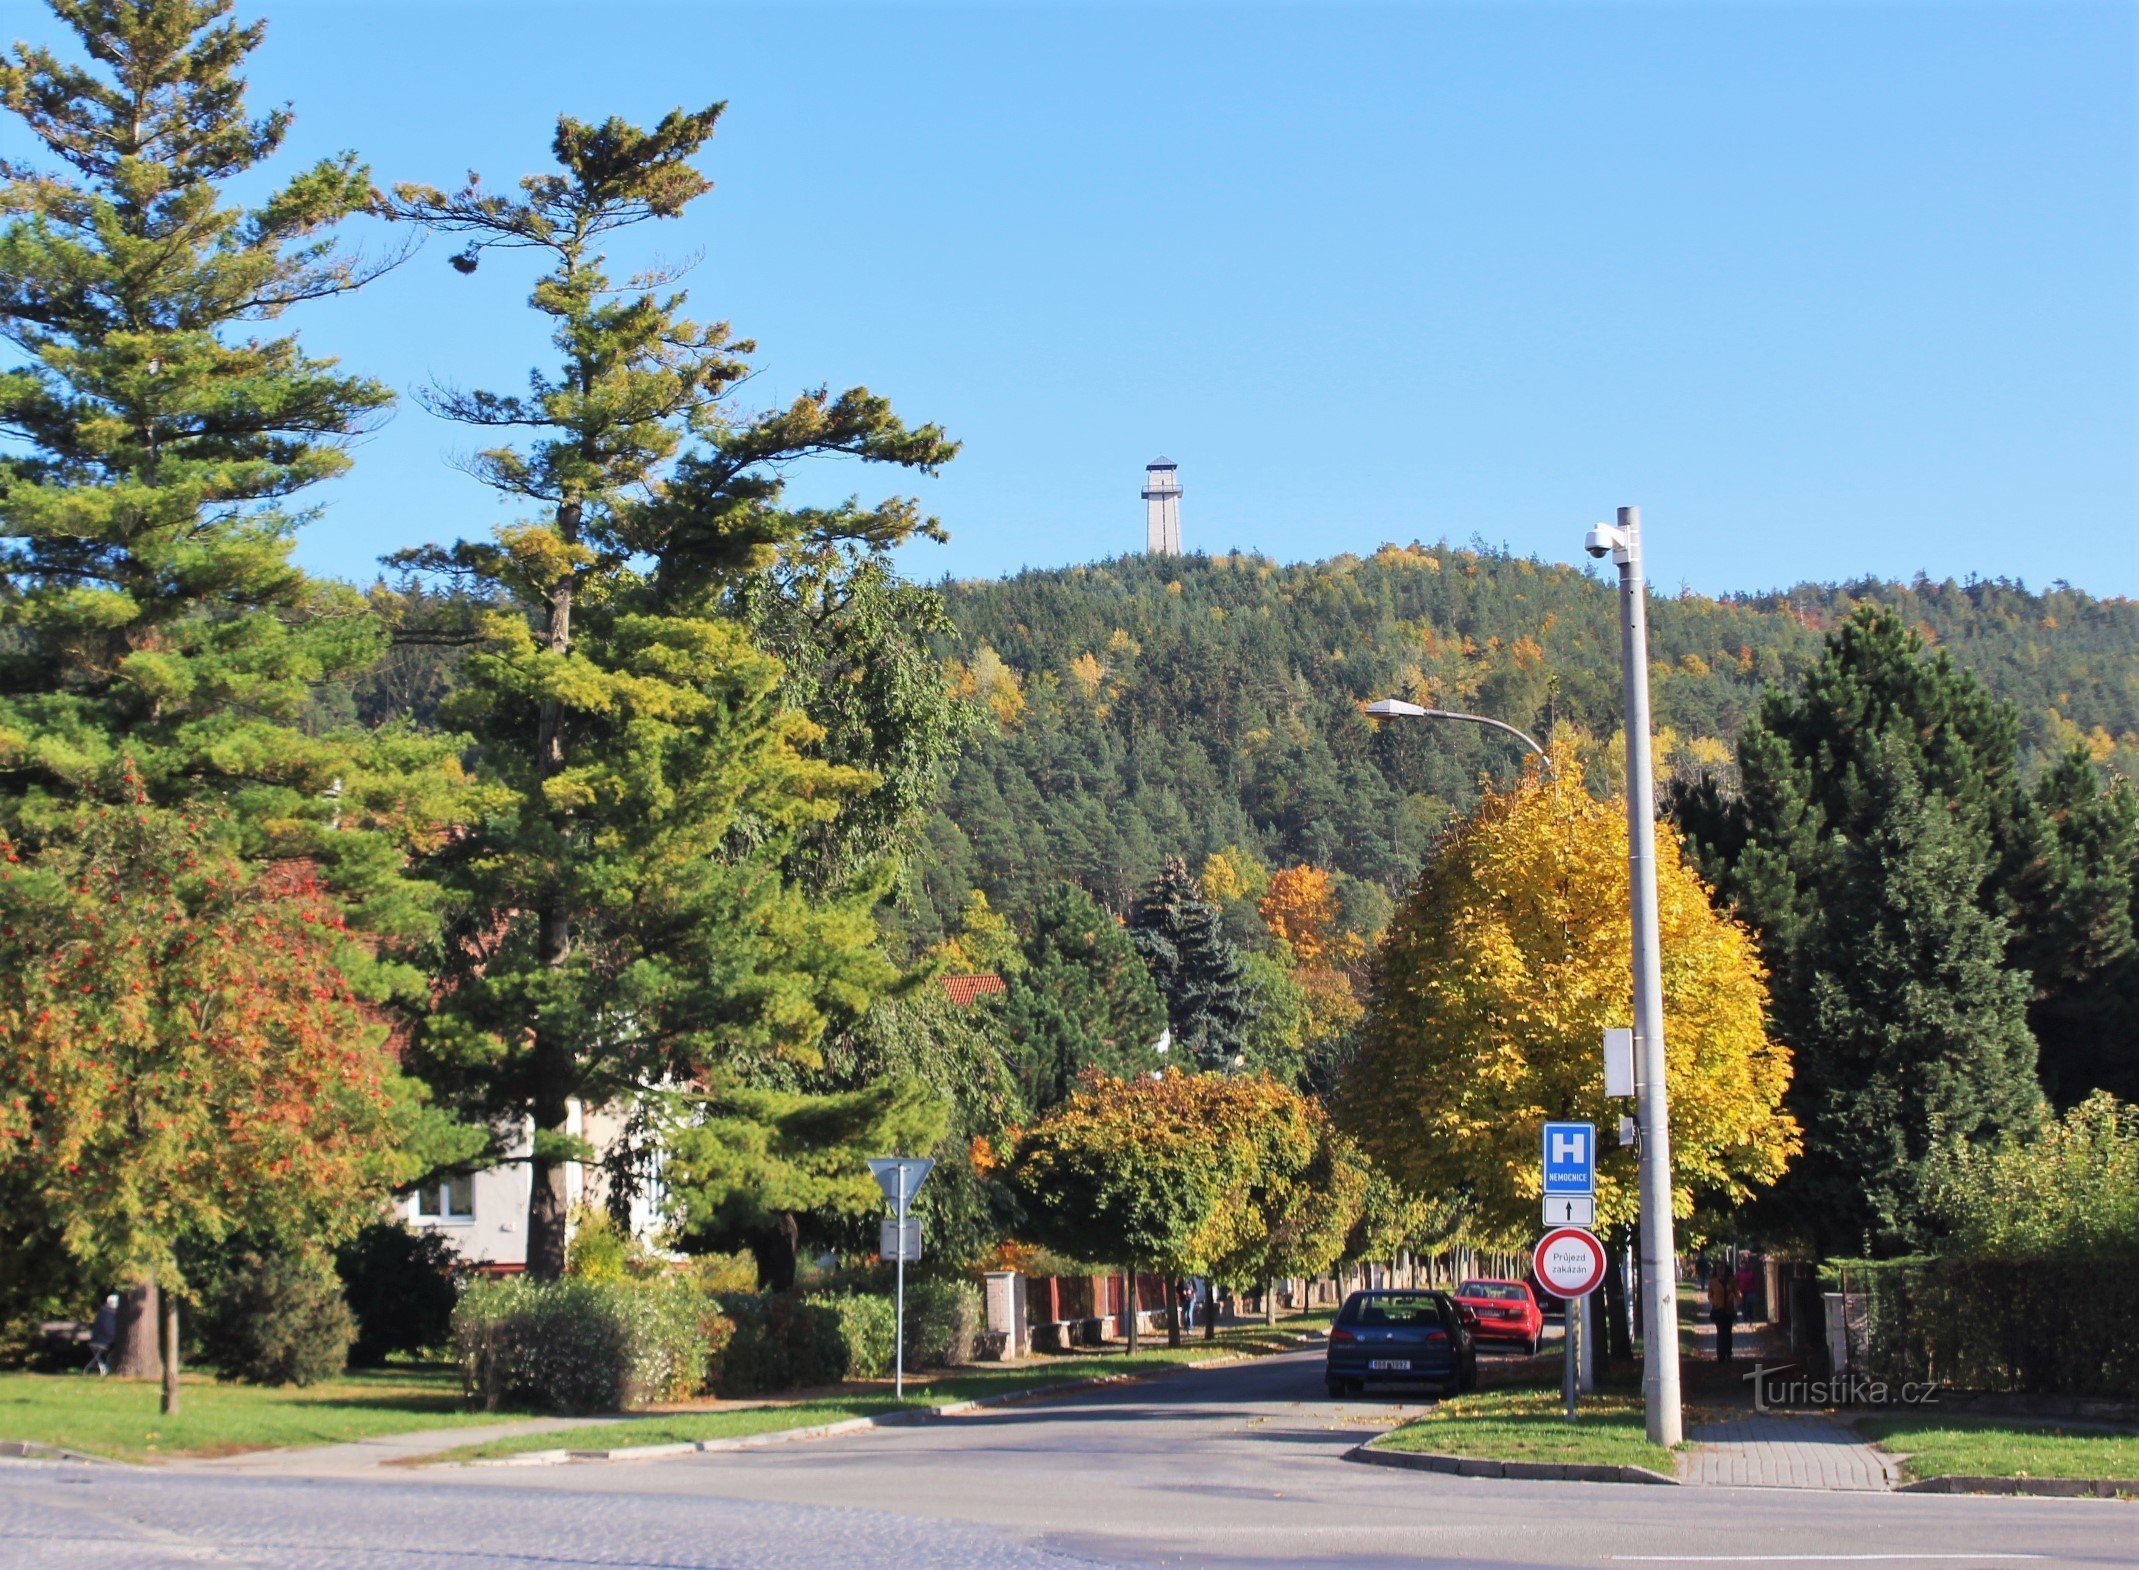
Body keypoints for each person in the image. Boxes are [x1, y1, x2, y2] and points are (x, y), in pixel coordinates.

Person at [1708, 1265, 1738, 1363]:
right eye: (1718, 1269)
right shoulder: (1713, 1282)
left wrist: (1735, 1303)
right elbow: (1710, 1296)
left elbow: (1738, 1294)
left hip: (1729, 1311)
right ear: (1716, 1271)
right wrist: (1715, 1302)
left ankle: (1728, 1353)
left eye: (1722, 1269)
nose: (1720, 1271)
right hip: (1718, 1311)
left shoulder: (1731, 1281)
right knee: (1721, 1332)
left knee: (1728, 1332)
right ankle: (1720, 1355)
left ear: (1726, 1270)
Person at [84, 1293, 118, 1376]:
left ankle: (107, 1367)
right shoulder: (113, 1314)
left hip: (94, 1341)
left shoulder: (102, 1311)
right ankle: (111, 1367)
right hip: (107, 1342)